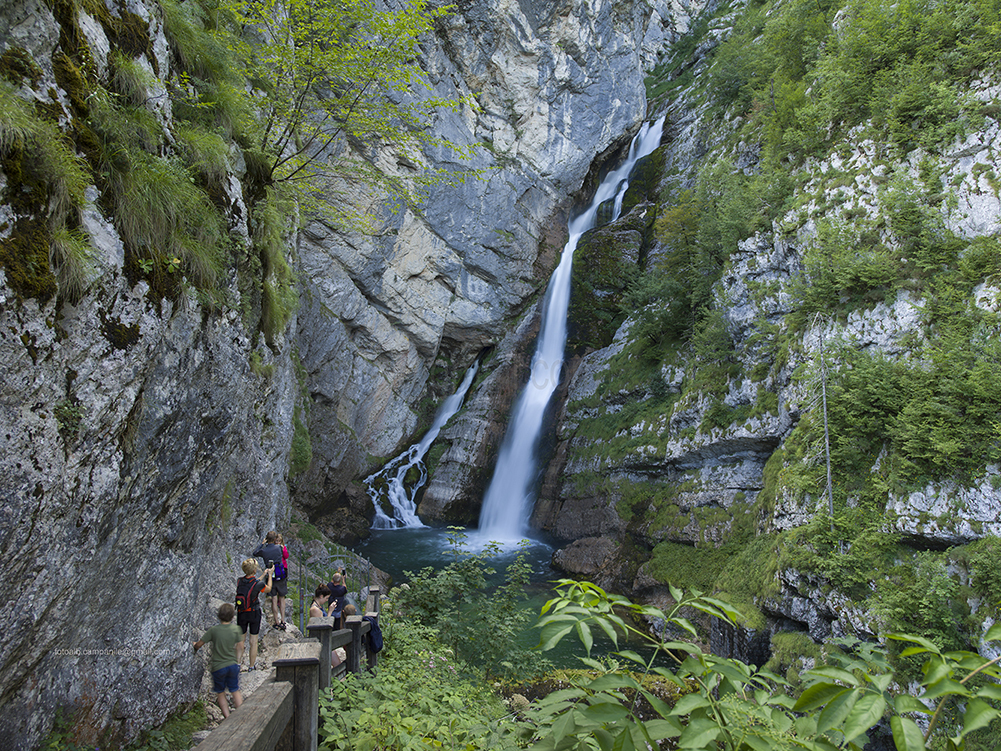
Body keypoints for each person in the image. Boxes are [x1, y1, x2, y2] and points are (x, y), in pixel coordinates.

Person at [193, 603, 245, 719]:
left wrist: (194, 645)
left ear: (219, 616)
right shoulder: (236, 629)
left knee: (220, 692)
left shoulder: (214, 630)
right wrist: (238, 659)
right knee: (235, 689)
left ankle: (227, 717)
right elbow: (241, 646)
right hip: (232, 665)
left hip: (218, 666)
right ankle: (241, 715)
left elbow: (199, 644)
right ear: (232, 616)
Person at [235, 558, 272, 672]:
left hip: (241, 613)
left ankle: (237, 664)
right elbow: (267, 588)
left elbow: (252, 584)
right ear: (255, 570)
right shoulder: (258, 584)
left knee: (240, 640)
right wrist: (269, 576)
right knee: (253, 640)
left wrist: (263, 574)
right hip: (254, 613)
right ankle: (251, 666)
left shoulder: (239, 581)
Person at [253, 531, 288, 631]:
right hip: (280, 574)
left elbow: (255, 553)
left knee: (274, 598)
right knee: (282, 598)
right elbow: (282, 554)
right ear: (274, 539)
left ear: (267, 539)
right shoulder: (279, 548)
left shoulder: (264, 551)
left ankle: (276, 622)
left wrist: (262, 544)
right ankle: (283, 620)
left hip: (270, 576)